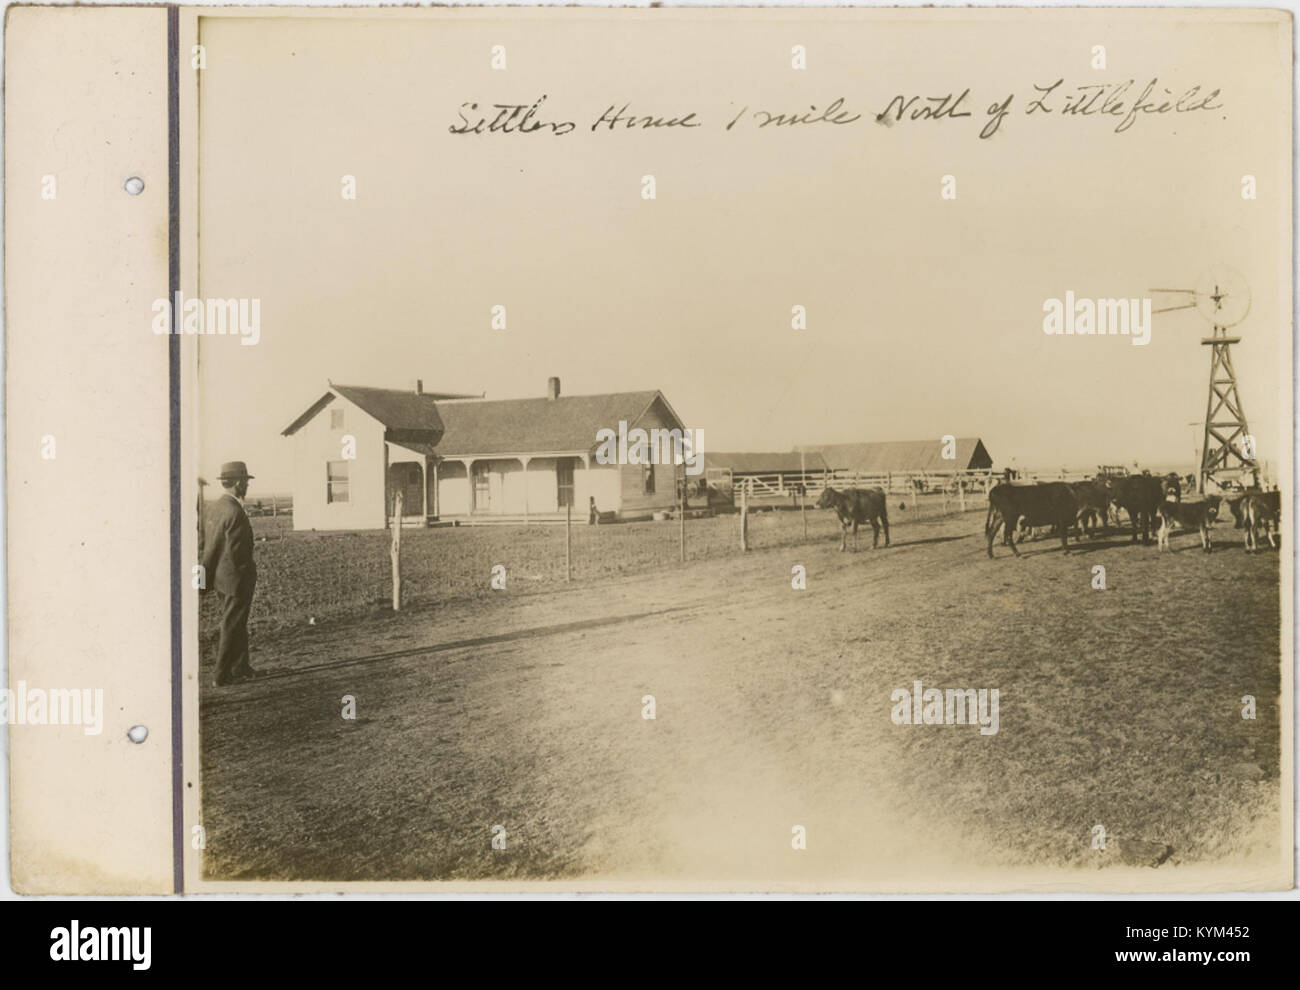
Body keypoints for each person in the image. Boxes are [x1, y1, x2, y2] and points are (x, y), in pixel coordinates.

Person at [202, 461, 263, 686]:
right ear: (238, 483)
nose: (247, 485)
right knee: (232, 624)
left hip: (220, 579)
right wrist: (248, 573)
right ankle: (221, 674)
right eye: (245, 481)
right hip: (236, 579)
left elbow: (206, 544)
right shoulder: (235, 512)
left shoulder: (215, 507)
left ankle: (240, 667)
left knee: (236, 622)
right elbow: (239, 554)